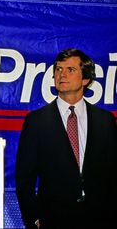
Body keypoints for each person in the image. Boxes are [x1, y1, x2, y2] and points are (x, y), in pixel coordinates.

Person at [15, 49, 117, 229]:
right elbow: (24, 178)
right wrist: (34, 219)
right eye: (58, 69)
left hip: (101, 219)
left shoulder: (105, 121)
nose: (61, 74)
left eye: (70, 70)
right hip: (53, 220)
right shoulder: (36, 121)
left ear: (86, 79)